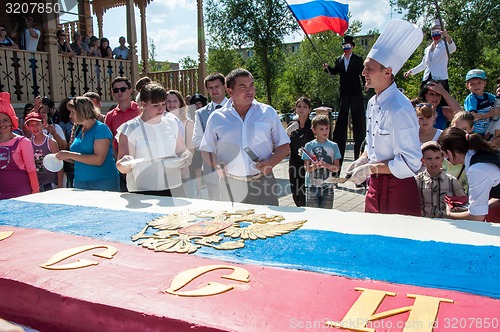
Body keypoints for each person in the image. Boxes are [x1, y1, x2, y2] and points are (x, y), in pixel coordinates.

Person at [347, 19, 423, 216]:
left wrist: (371, 169)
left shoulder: (400, 108)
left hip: (398, 191)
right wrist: (362, 160)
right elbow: (372, 145)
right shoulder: (372, 103)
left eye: (369, 68)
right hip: (374, 187)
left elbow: (411, 163)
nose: (363, 73)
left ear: (388, 72)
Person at [200, 68, 290, 206]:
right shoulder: (217, 117)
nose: (250, 90)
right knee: (232, 226)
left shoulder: (267, 112)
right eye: (243, 87)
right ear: (230, 91)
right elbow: (206, 149)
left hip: (263, 182)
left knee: (267, 226)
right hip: (230, 184)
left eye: (251, 85)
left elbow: (284, 145)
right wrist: (217, 165)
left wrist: (271, 162)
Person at [116, 83, 192, 196]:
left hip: (173, 187)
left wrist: (187, 156)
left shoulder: (171, 123)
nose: (161, 108)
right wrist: (125, 163)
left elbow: (182, 150)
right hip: (143, 190)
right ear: (143, 104)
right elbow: (121, 165)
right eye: (156, 105)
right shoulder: (130, 128)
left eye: (163, 103)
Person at [55, 97, 119, 191]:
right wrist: (64, 157)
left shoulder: (101, 129)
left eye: (72, 112)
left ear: (82, 111)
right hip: (80, 182)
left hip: (103, 182)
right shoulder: (79, 129)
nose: (70, 116)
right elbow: (80, 158)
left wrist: (70, 155)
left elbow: (98, 160)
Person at [437, 127, 500, 222]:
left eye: (443, 153)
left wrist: (448, 215)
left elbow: (477, 217)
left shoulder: (477, 170)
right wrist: (469, 209)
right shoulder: (482, 155)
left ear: (448, 153)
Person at [323, 35, 365, 165]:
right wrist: (327, 68)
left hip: (356, 94)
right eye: (344, 46)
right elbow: (335, 72)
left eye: (348, 46)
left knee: (359, 124)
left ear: (352, 47)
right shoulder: (339, 60)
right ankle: (337, 165)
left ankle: (359, 159)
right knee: (340, 124)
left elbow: (362, 74)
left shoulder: (358, 59)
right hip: (344, 95)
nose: (346, 49)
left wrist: (366, 84)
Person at [193, 73, 228, 201]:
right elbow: (196, 141)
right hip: (211, 166)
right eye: (210, 88)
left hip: (235, 165)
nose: (214, 90)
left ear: (224, 86)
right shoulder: (200, 113)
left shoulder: (236, 107)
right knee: (216, 205)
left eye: (217, 86)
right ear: (207, 90)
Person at [0, 92, 39, 199]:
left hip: (21, 194)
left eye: (5, 120)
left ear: (12, 121)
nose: (2, 124)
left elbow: (31, 169)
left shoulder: (23, 142)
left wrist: (36, 193)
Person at [416, 141, 465, 218]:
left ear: (442, 159)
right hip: (425, 223)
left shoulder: (452, 181)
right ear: (422, 160)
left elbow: (463, 204)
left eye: (437, 158)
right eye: (429, 158)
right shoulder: (417, 181)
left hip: (447, 224)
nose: (433, 162)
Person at [404, 20, 456, 92]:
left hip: (440, 79)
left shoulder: (445, 46)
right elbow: (424, 64)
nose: (435, 34)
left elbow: (453, 48)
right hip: (427, 78)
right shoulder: (427, 49)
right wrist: (411, 71)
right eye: (433, 32)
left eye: (437, 31)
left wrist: (447, 37)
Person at [302, 115, 340, 209]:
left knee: (326, 214)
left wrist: (326, 165)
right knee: (313, 213)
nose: (325, 131)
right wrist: (314, 166)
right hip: (311, 186)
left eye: (327, 128)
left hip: (328, 186)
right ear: (314, 130)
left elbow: (336, 168)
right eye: (321, 129)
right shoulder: (309, 146)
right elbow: (306, 168)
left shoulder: (333, 146)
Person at [286, 96, 314, 207]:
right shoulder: (292, 125)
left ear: (309, 109)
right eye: (299, 106)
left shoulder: (313, 126)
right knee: (296, 193)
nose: (301, 109)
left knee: (306, 195)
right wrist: (288, 132)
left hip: (308, 165)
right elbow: (282, 144)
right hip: (294, 164)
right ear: (295, 109)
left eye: (305, 107)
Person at [166, 89, 195, 198]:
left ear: (180, 103)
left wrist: (182, 166)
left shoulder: (188, 122)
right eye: (168, 101)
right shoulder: (161, 121)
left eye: (174, 101)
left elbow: (190, 149)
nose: (171, 104)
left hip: (183, 171)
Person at [25, 111, 63, 191]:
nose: (35, 128)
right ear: (27, 127)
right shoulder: (28, 143)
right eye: (31, 125)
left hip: (51, 183)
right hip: (36, 184)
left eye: (37, 124)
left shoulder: (51, 142)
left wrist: (60, 185)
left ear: (43, 124)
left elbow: (59, 164)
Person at [104, 77, 140, 153]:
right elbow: (108, 141)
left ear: (130, 90)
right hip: (121, 159)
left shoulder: (140, 110)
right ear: (112, 92)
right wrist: (117, 158)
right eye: (116, 90)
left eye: (123, 89)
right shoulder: (110, 116)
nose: (119, 92)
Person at [463, 69, 497, 137]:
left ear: (484, 83)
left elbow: (497, 100)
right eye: (472, 84)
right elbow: (472, 116)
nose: (476, 86)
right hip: (475, 132)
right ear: (467, 86)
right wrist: (491, 114)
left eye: (479, 83)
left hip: (486, 130)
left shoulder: (486, 96)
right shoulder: (472, 98)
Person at [189, 93, 208, 198]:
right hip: (195, 145)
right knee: (197, 167)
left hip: (206, 145)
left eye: (199, 103)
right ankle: (199, 189)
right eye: (195, 104)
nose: (198, 106)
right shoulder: (189, 114)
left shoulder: (207, 113)